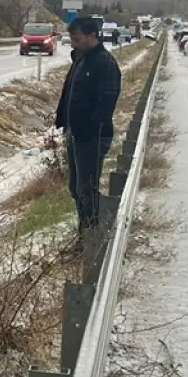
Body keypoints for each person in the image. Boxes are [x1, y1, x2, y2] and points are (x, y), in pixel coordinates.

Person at [54, 16, 122, 233]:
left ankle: (91, 235)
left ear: (92, 36)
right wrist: (65, 122)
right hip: (75, 133)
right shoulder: (80, 60)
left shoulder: (105, 63)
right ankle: (84, 231)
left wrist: (89, 130)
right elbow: (70, 94)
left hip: (92, 136)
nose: (73, 43)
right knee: (75, 187)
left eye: (77, 39)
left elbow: (107, 102)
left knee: (86, 188)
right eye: (72, 38)